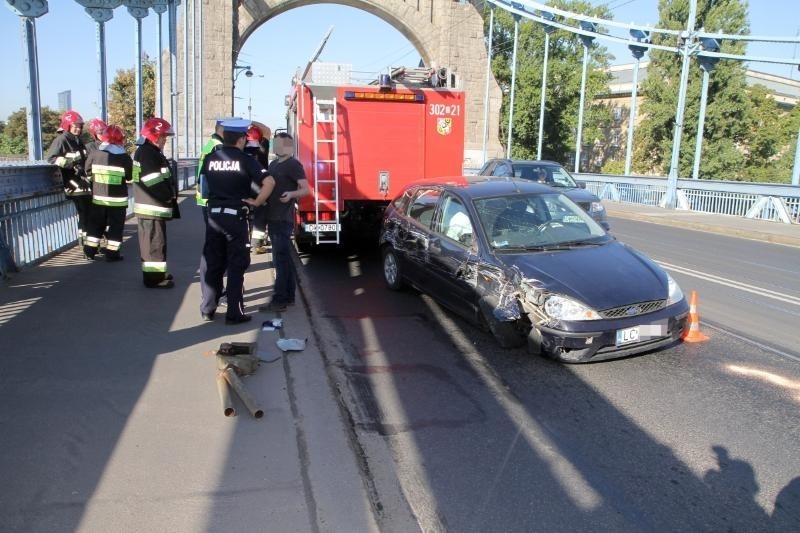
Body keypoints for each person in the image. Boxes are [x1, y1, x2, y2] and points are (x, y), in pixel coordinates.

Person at [199, 119, 275, 324]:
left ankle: (208, 308)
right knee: (236, 265)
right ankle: (234, 313)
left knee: (213, 262)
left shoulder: (210, 158)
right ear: (242, 139)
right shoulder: (245, 160)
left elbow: (204, 188)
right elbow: (269, 182)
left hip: (214, 216)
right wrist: (257, 201)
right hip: (236, 218)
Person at [260, 132, 310, 313]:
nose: (275, 147)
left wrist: (291, 194)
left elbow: (306, 190)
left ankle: (279, 300)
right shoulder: (273, 164)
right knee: (285, 260)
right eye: (275, 144)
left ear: (287, 146)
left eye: (279, 144)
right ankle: (289, 296)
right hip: (273, 217)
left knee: (280, 260)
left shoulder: (293, 165)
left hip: (283, 218)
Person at [132, 117, 177, 289]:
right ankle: (153, 279)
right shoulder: (148, 153)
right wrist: (167, 196)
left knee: (156, 243)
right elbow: (152, 180)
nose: (165, 140)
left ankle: (158, 274)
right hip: (152, 206)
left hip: (152, 206)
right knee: (153, 244)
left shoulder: (148, 151)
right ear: (154, 136)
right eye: (163, 136)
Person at [83, 125, 132, 262]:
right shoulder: (125, 158)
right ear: (120, 140)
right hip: (118, 201)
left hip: (99, 199)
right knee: (116, 228)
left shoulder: (94, 154)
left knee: (95, 226)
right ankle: (112, 254)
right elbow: (130, 177)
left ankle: (89, 252)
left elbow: (87, 171)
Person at [46, 110, 91, 244]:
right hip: (73, 183)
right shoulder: (62, 139)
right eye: (75, 125)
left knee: (87, 213)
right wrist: (71, 164)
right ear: (67, 126)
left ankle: (88, 242)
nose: (78, 128)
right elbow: (52, 158)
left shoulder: (78, 140)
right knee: (85, 213)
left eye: (80, 126)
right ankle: (85, 243)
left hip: (83, 182)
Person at [196, 117, 241, 222]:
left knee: (211, 231)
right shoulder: (218, 147)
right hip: (212, 196)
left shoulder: (211, 143)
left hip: (205, 194)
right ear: (223, 130)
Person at [243, 122, 271, 254]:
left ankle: (245, 243)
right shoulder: (262, 149)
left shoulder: (240, 150)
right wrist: (252, 122)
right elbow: (267, 130)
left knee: (244, 215)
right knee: (260, 216)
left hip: (244, 187)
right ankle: (257, 245)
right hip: (260, 188)